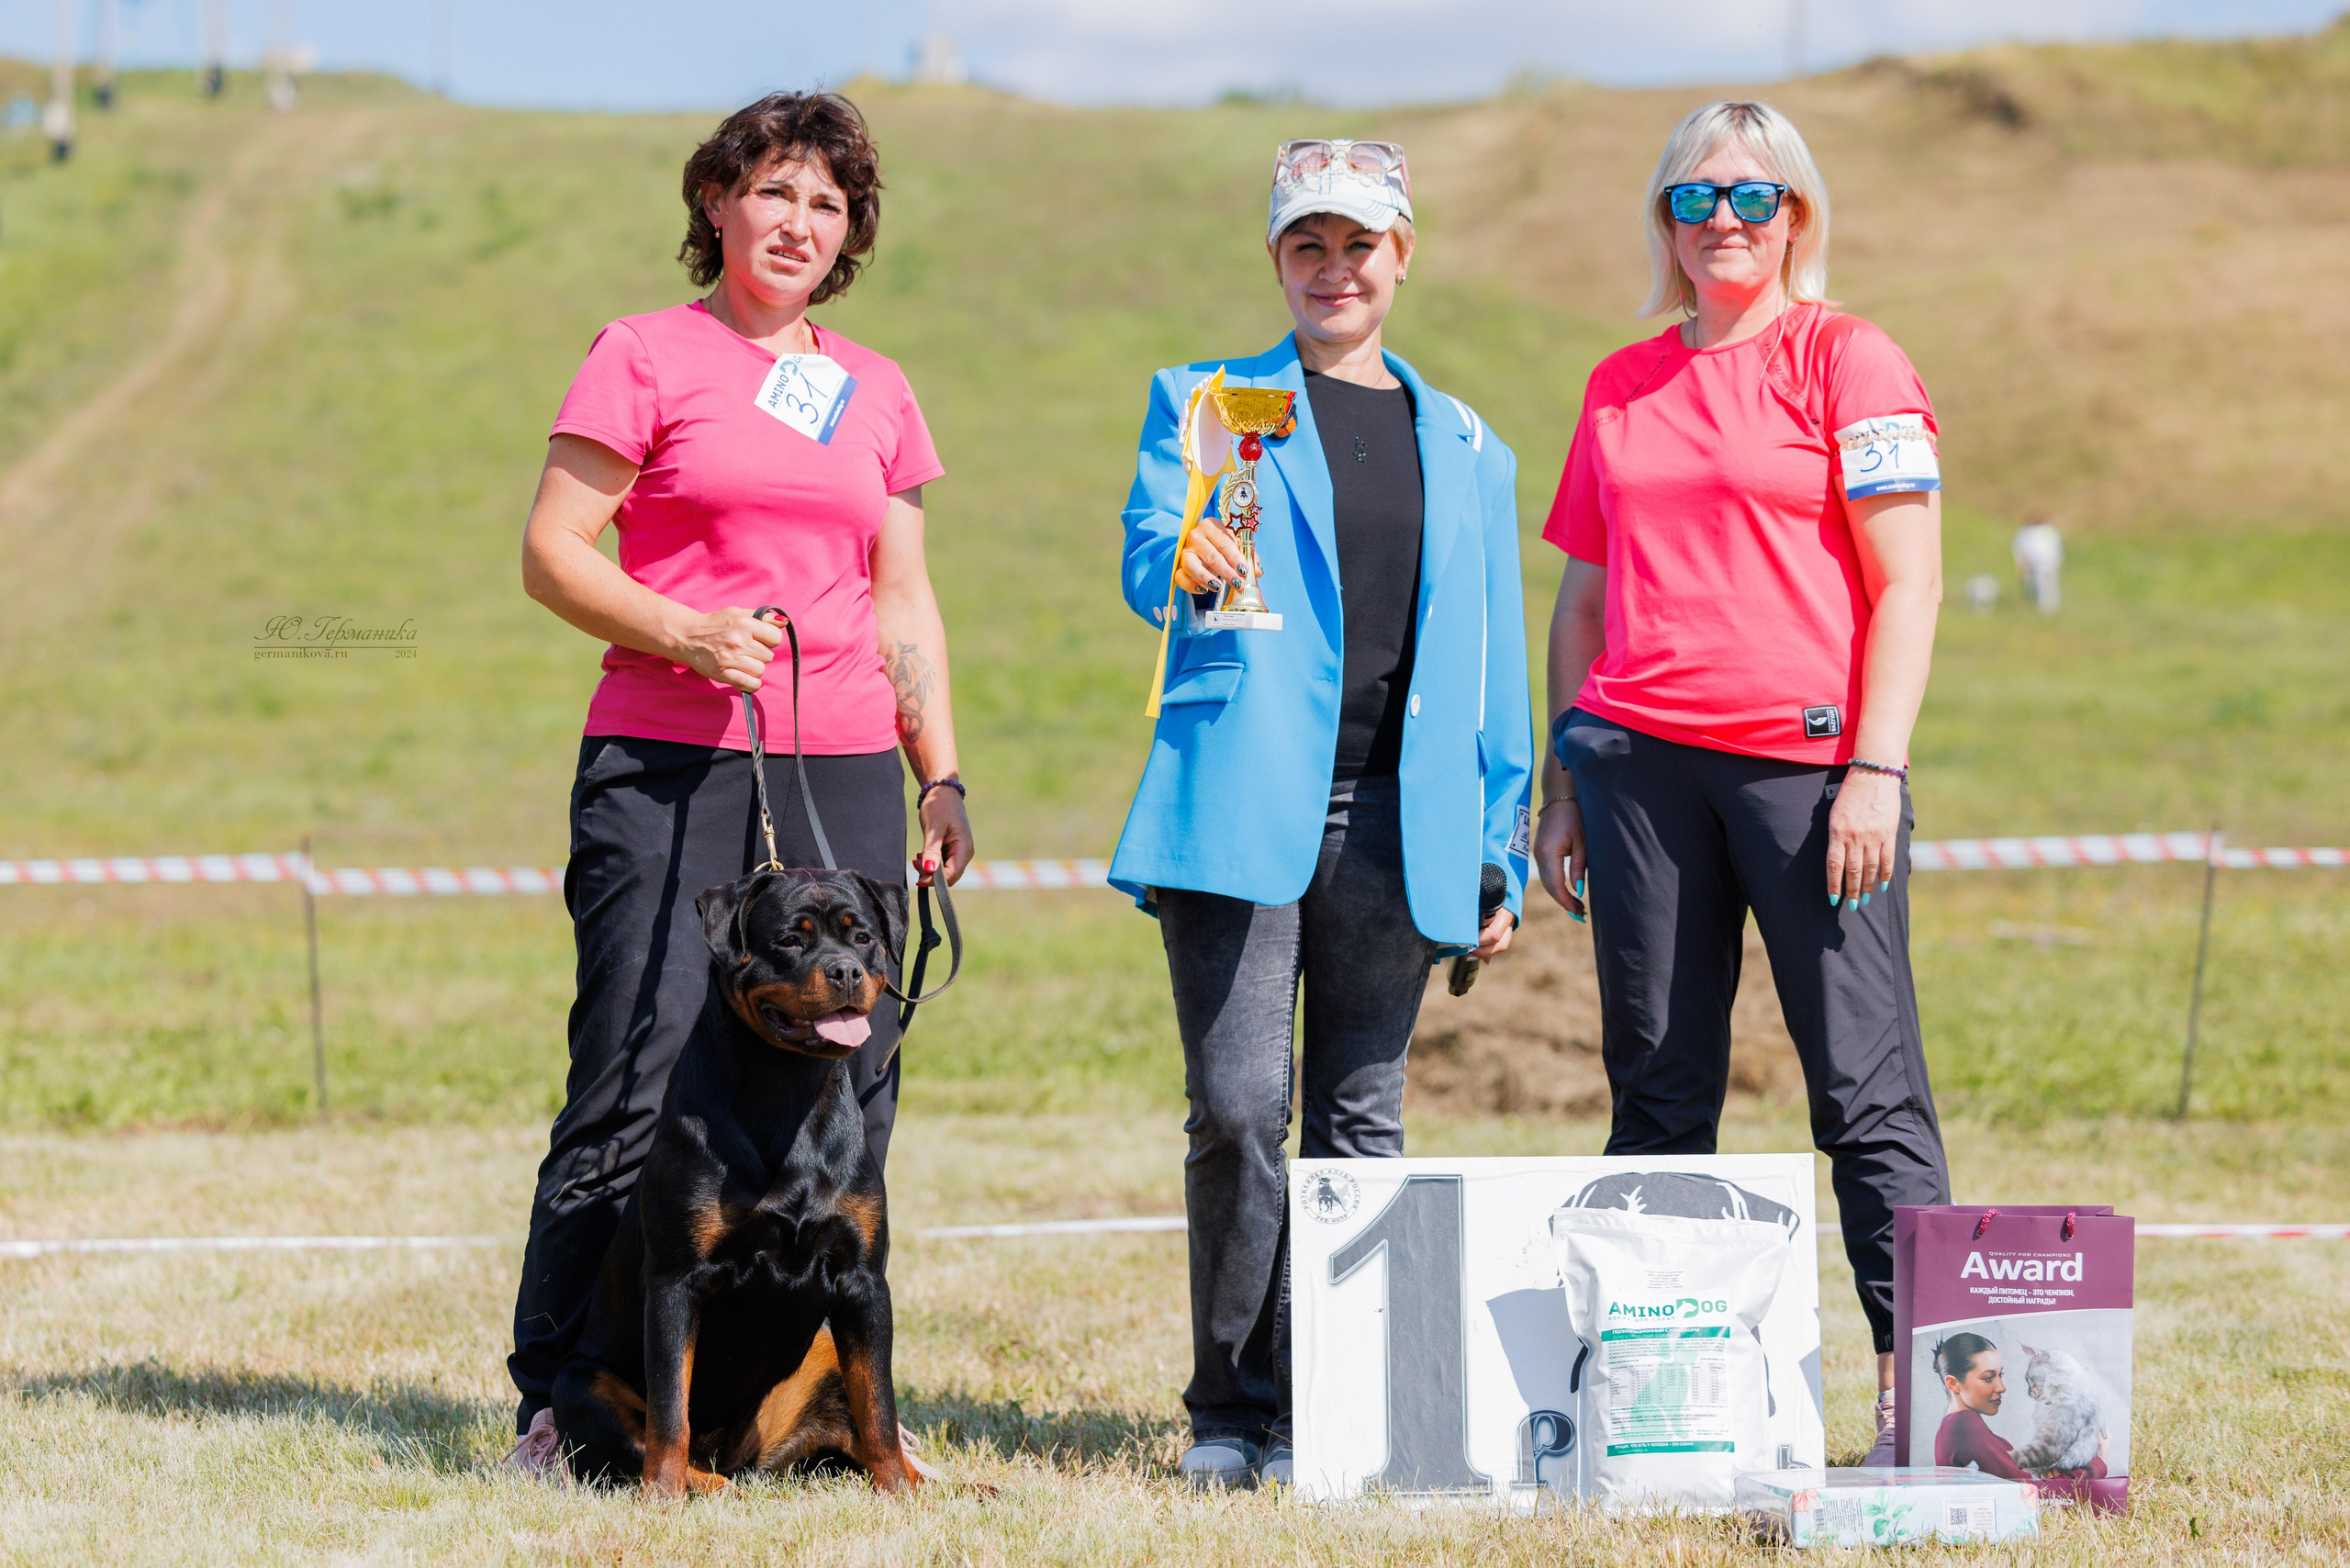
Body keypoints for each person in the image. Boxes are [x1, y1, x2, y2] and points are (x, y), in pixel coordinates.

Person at [504, 92, 974, 1462]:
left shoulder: (876, 387)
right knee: (635, 1077)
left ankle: (826, 1407)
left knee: (854, 1073)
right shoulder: (642, 356)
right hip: (670, 759)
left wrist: (937, 772)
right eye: (775, 192)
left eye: (827, 205)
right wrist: (681, 628)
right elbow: (554, 552)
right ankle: (562, 1394)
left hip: (842, 772)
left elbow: (905, 598)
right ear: (717, 202)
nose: (798, 223)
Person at [1107, 138, 1534, 1489]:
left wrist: (1499, 839)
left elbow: (1493, 660)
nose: (1333, 269)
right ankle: (1230, 1411)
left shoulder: (1472, 446)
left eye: (1360, 245)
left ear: (1402, 255)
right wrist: (1175, 550)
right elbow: (1142, 559)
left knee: (1361, 1120)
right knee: (1237, 1107)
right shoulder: (1210, 404)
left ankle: (1333, 1411)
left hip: (1403, 823)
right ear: (1277, 261)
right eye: (1308, 245)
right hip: (1238, 809)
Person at [1530, 99, 1951, 1465]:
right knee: (1657, 1093)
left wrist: (1876, 768)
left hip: (1814, 775)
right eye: (1694, 198)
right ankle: (1650, 1416)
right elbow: (1582, 604)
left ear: (1798, 216)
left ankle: (1925, 1410)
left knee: (1866, 1096)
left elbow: (1910, 580)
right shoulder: (1618, 381)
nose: (1723, 219)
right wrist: (1560, 779)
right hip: (1637, 771)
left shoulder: (1853, 358)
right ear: (1663, 220)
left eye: (1752, 198)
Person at [1931, 1334, 2109, 1481]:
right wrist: (2099, 1462)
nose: (2002, 1387)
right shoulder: (1964, 1425)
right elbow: (2032, 1497)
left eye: (2000, 1375)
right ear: (1953, 1384)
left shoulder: (1955, 1427)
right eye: (1988, 1378)